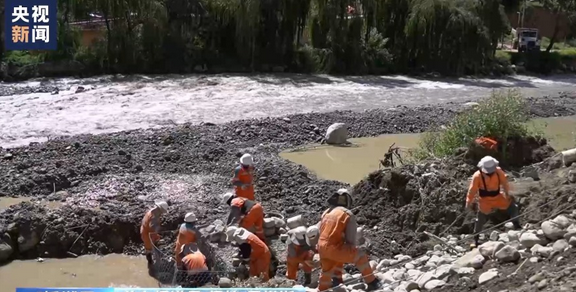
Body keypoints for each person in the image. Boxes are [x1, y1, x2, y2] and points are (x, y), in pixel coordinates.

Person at [317, 189, 382, 291]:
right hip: (333, 247)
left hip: (321, 247)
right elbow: (350, 241)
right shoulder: (347, 214)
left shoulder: (326, 212)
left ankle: (330, 284)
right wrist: (356, 247)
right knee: (360, 255)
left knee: (327, 269)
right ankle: (372, 282)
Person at [467, 156, 521, 247]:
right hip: (484, 200)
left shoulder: (498, 172)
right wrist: (468, 202)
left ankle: (517, 226)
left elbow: (504, 184)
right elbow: (472, 190)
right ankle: (475, 238)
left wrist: (507, 194)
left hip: (497, 197)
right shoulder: (477, 176)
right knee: (480, 218)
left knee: (513, 207)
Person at [140, 200, 169, 265]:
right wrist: (158, 229)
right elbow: (152, 227)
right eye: (162, 211)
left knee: (154, 243)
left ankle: (155, 257)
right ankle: (151, 262)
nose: (162, 213)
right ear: (160, 209)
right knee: (149, 248)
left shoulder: (152, 211)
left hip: (144, 229)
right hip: (148, 234)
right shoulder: (154, 217)